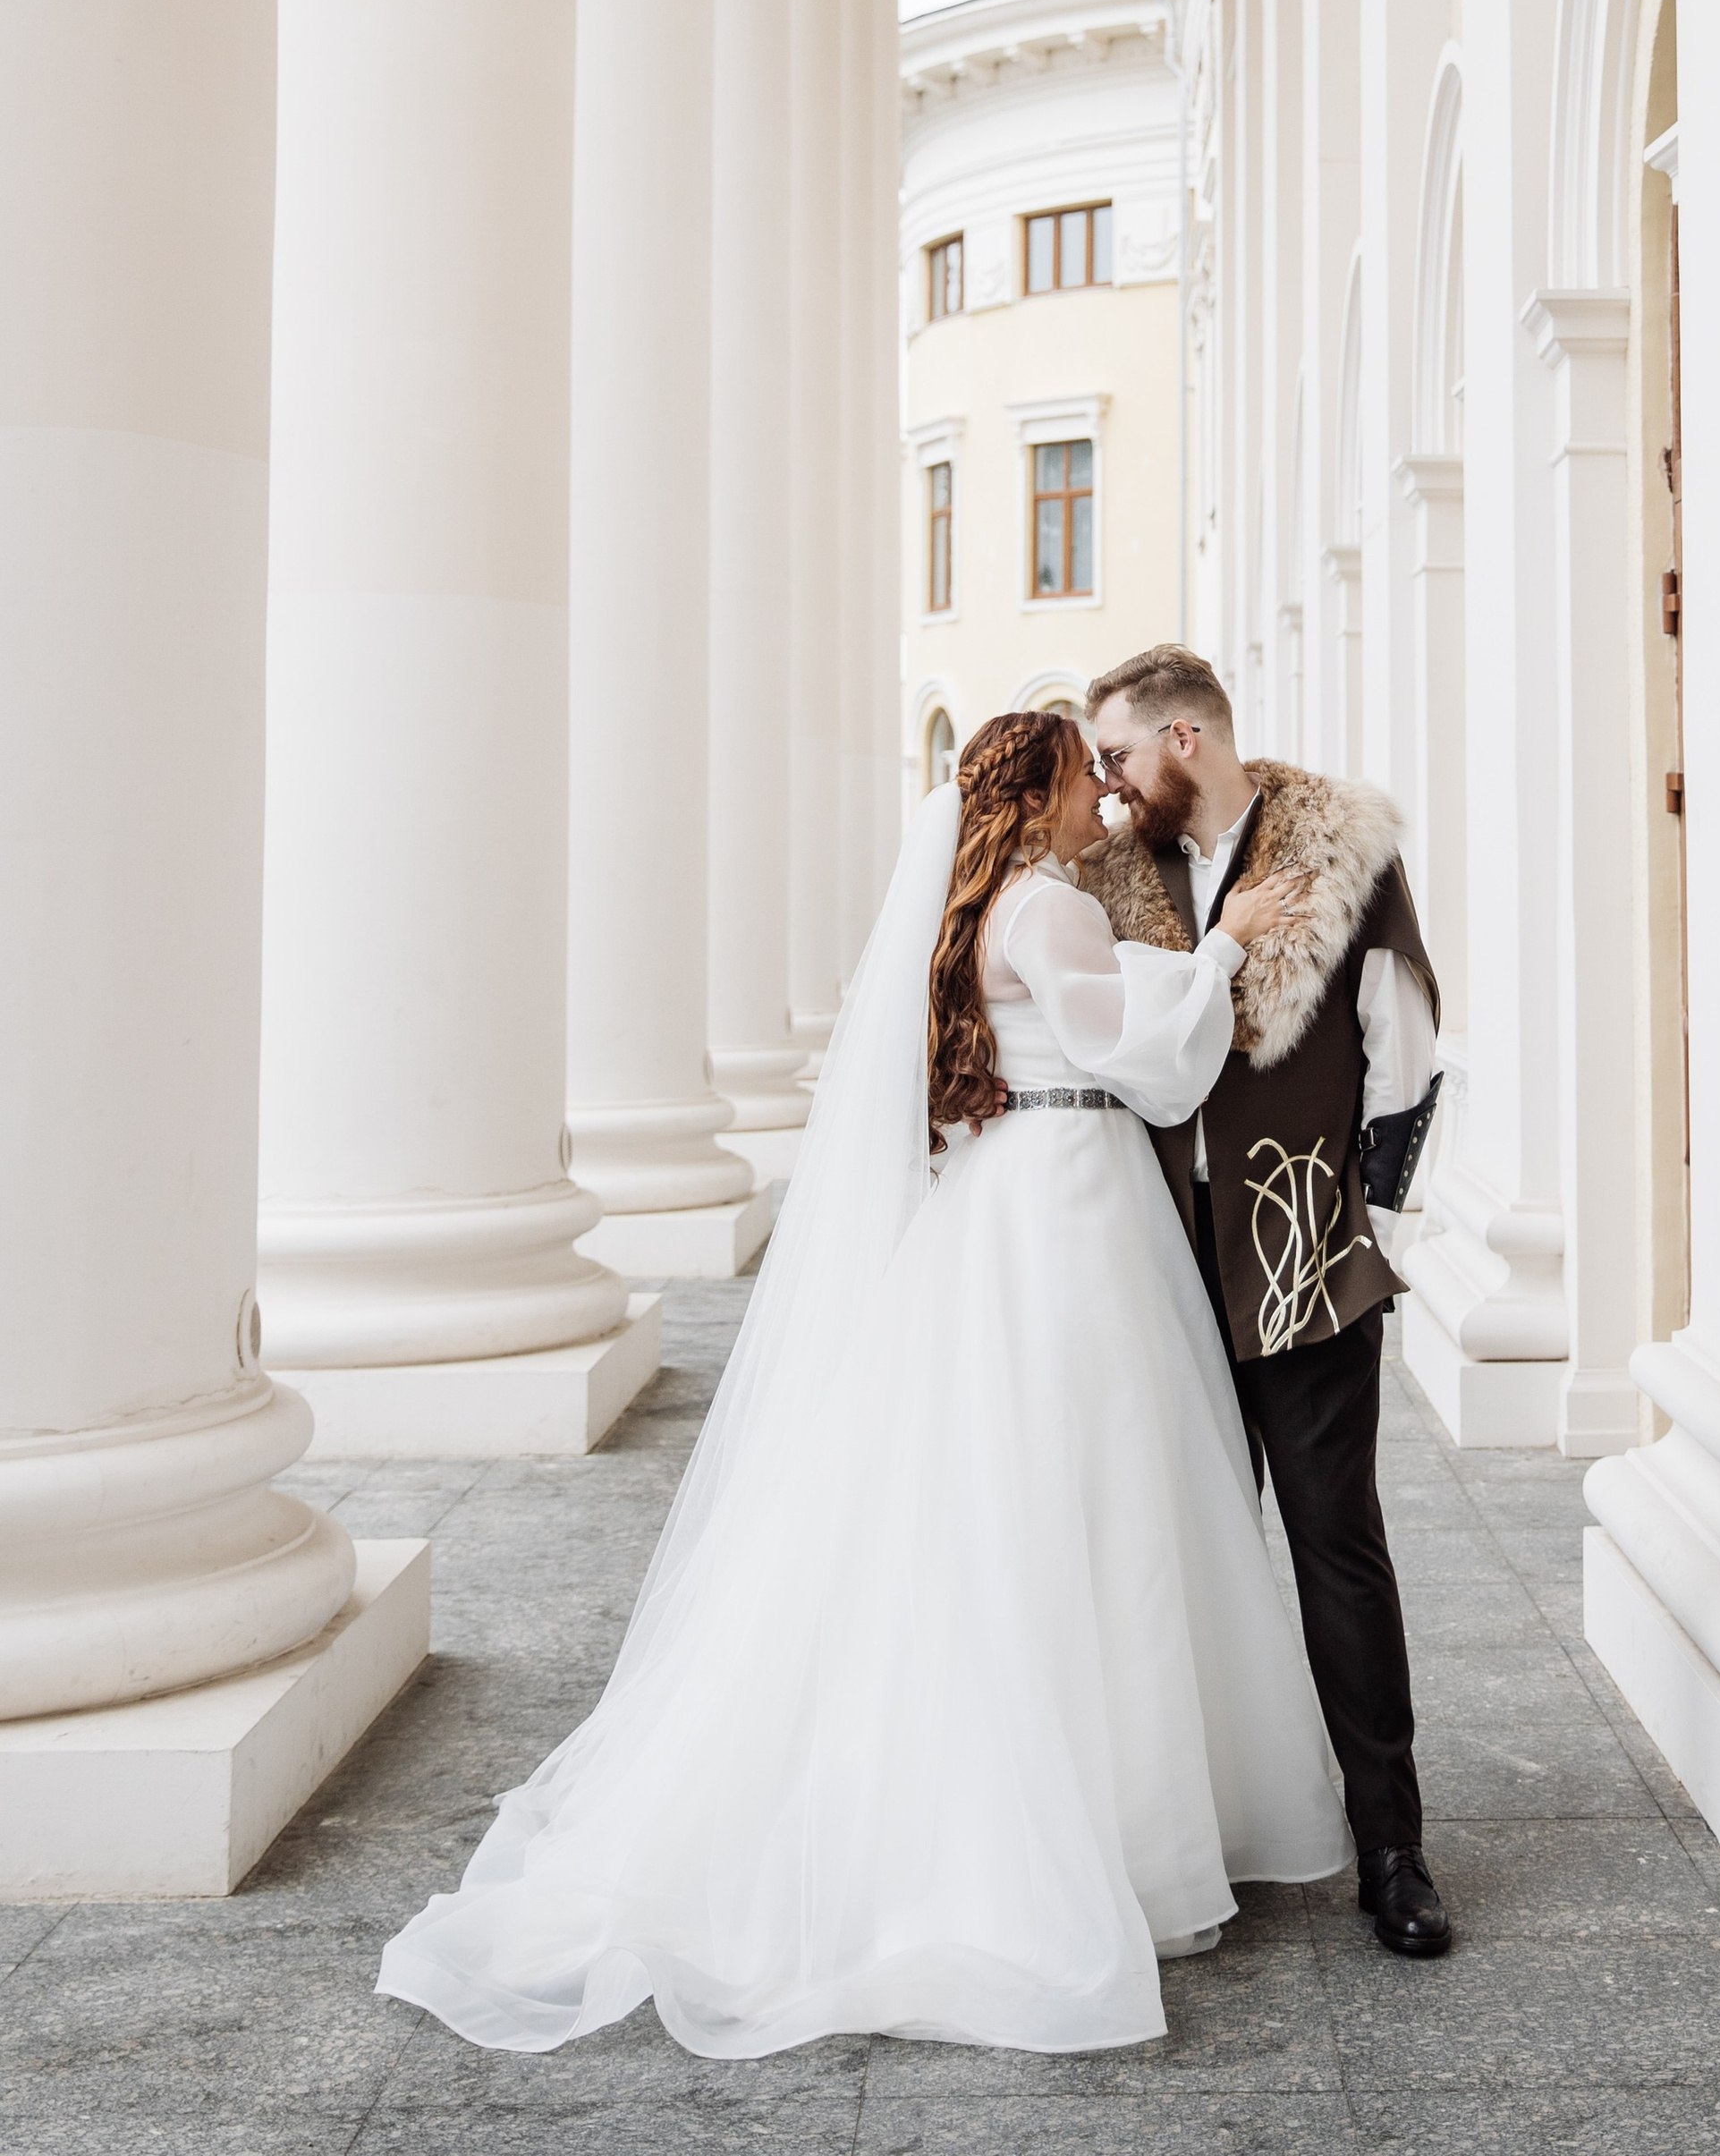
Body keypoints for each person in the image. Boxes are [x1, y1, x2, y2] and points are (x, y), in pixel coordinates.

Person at [376, 709, 1350, 2058]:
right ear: (1041, 795)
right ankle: (1111, 1827)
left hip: (1007, 1195)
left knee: (1011, 1488)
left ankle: (1073, 1805)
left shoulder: (980, 911)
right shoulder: (1053, 908)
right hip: (1068, 1203)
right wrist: (1228, 947)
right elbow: (1142, 1067)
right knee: (1099, 1487)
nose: (1104, 795)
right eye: (1086, 775)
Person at [1080, 644, 1451, 1961]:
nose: (1108, 783)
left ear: (1185, 737)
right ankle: (1201, 1835)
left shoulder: (1343, 854)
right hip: (1153, 1260)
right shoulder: (1106, 878)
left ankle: (1392, 1846)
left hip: (1301, 1251)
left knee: (1335, 1545)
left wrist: (1360, 1230)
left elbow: (1403, 1051)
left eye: (1119, 754)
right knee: (1176, 1547)